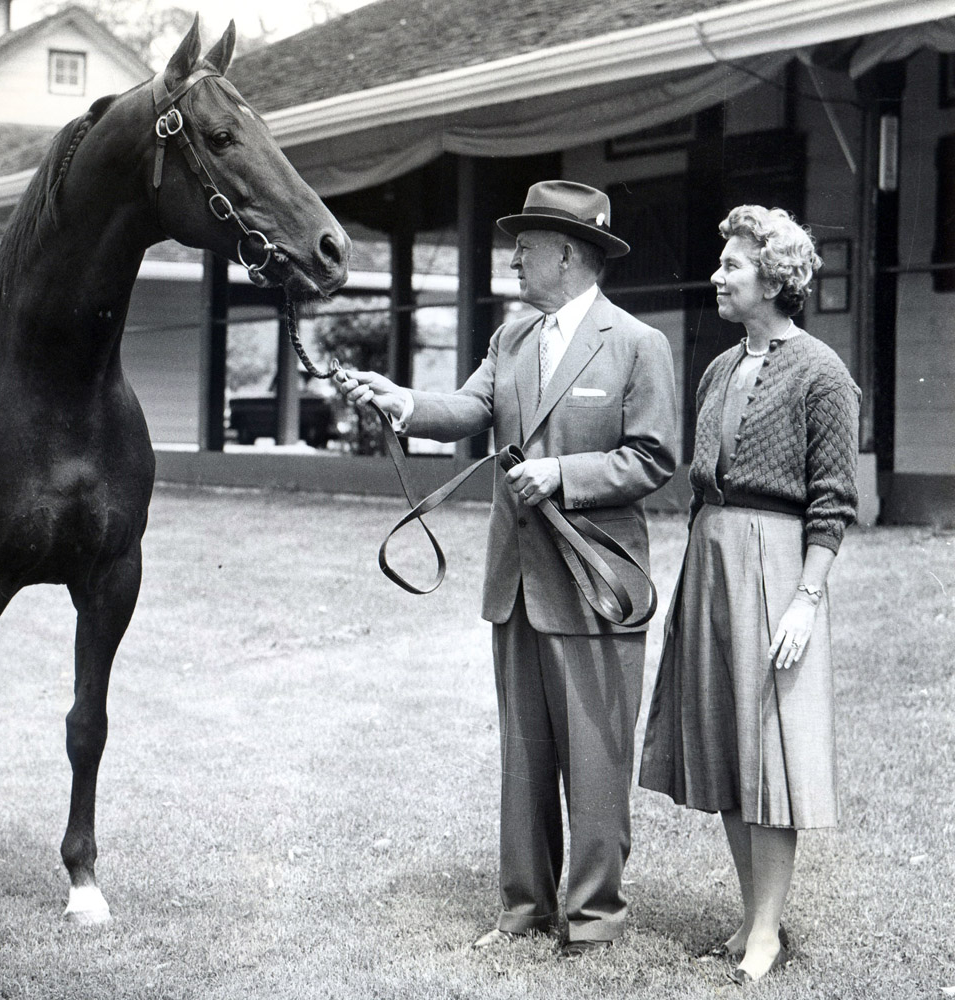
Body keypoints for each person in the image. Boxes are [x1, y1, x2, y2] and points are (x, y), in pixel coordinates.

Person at [334, 180, 678, 956]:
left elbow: (654, 458)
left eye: (526, 245)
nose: (514, 256)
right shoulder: (511, 340)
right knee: (524, 762)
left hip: (593, 583)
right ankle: (524, 913)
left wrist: (563, 474)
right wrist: (402, 403)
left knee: (595, 762)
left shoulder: (636, 345)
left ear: (569, 254)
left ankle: (594, 923)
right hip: (516, 585)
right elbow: (468, 408)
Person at [638, 206, 860, 984]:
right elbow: (704, 485)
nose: (718, 275)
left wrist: (805, 597)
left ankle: (768, 931)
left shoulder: (822, 374)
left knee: (770, 749)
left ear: (774, 277)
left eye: (732, 265)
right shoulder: (717, 368)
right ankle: (751, 918)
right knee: (728, 747)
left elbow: (834, 502)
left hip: (776, 568)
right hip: (713, 560)